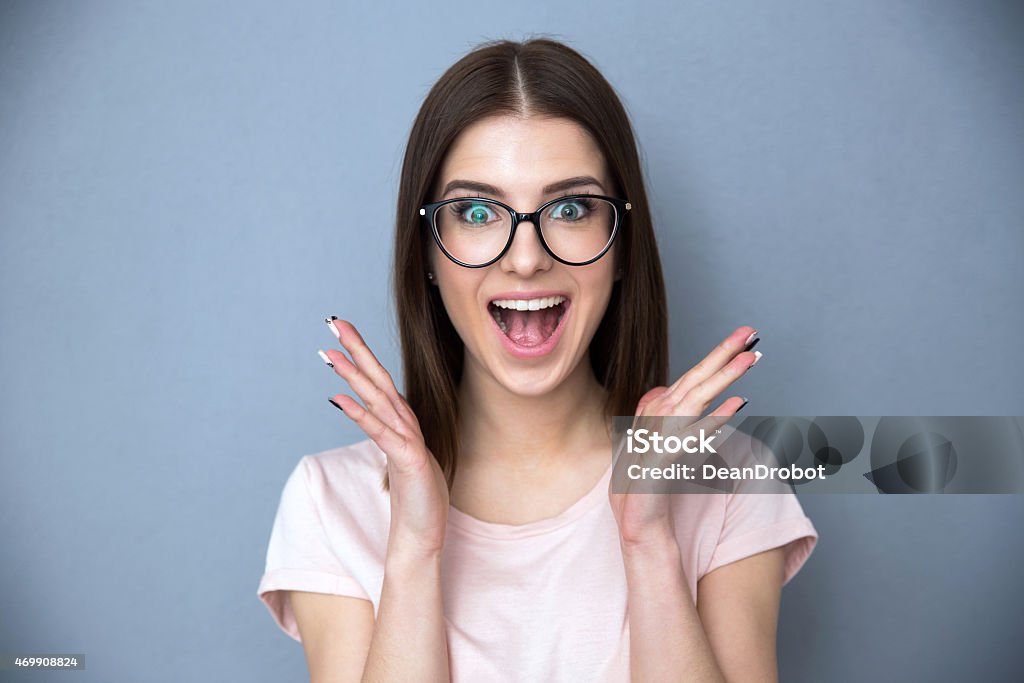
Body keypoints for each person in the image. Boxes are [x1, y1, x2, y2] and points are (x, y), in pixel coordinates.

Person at [257, 37, 818, 682]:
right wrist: (413, 549)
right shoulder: (332, 500)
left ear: (623, 246)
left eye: (572, 208)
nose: (526, 259)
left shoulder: (731, 479)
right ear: (429, 256)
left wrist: (648, 542)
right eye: (476, 211)